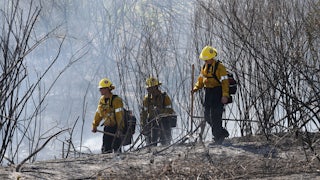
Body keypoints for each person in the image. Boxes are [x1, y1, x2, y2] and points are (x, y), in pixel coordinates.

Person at [191, 46, 230, 145]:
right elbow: (200, 80)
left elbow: (225, 82)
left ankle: (217, 137)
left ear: (211, 57)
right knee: (207, 116)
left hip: (218, 92)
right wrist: (195, 88)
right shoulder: (204, 67)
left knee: (216, 116)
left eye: (206, 58)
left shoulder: (220, 67)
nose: (205, 60)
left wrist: (225, 95)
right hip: (208, 93)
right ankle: (221, 132)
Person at [92, 78, 125, 153]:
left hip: (116, 128)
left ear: (107, 89)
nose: (100, 90)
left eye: (101, 88)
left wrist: (120, 129)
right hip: (107, 128)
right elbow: (98, 113)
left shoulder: (116, 100)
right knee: (106, 149)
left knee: (117, 149)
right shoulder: (102, 100)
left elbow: (120, 116)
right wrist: (94, 125)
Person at [140, 77, 176, 146]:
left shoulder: (164, 97)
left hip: (164, 120)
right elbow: (143, 114)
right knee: (151, 142)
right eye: (148, 88)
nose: (148, 90)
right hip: (151, 121)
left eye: (150, 88)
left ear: (156, 87)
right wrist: (143, 126)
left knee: (165, 141)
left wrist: (161, 112)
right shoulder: (146, 99)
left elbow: (170, 111)